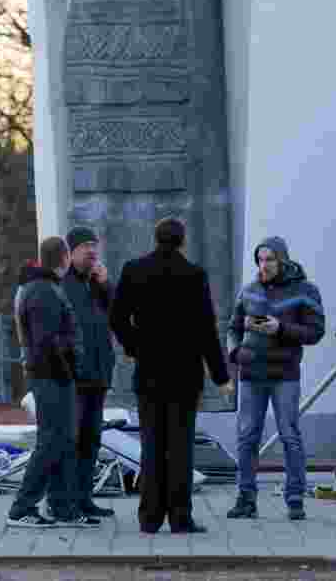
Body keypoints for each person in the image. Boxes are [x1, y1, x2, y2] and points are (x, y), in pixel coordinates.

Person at [109, 217, 234, 534]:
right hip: (184, 374)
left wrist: (135, 346)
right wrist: (221, 376)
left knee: (152, 444)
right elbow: (206, 330)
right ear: (182, 241)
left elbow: (117, 317)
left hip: (149, 372)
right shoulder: (194, 275)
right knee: (180, 447)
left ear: (156, 238)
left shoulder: (134, 270)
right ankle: (180, 517)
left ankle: (149, 517)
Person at [226, 237, 325, 522]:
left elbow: (316, 332)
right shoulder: (249, 291)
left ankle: (295, 499)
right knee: (247, 437)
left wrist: (280, 328)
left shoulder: (305, 291)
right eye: (260, 260)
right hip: (251, 374)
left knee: (289, 436)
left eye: (269, 259)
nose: (264, 265)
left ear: (282, 259)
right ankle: (246, 499)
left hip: (284, 375)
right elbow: (232, 328)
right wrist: (236, 352)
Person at [6, 237, 100, 529]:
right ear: (64, 258)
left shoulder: (42, 287)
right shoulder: (43, 290)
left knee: (63, 441)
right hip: (52, 376)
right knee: (51, 441)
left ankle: (63, 508)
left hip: (54, 374)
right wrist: (68, 366)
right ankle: (22, 508)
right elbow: (47, 340)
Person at [61, 226, 116, 518]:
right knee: (74, 439)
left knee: (92, 440)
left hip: (99, 373)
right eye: (85, 246)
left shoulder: (96, 284)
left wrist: (107, 286)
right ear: (71, 253)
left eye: (94, 245)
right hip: (75, 376)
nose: (92, 251)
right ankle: (67, 500)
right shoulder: (64, 284)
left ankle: (85, 498)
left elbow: (118, 315)